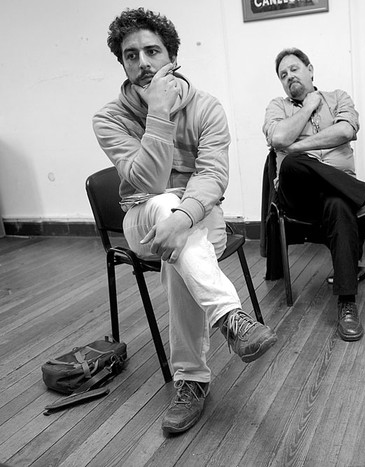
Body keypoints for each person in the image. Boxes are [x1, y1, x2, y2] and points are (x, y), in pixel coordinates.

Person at [92, 8, 277, 435]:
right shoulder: (109, 118)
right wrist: (158, 112)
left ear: (171, 57)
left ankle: (192, 380)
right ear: (121, 63)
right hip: (142, 219)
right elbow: (149, 181)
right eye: (131, 55)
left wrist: (183, 218)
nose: (142, 63)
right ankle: (232, 318)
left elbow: (213, 176)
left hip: (199, 218)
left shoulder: (207, 108)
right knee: (160, 206)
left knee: (180, 255)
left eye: (152, 51)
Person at [263, 47, 365, 342]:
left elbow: (345, 131)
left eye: (294, 69)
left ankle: (347, 303)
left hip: (339, 194)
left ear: (310, 69)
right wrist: (308, 107)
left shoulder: (338, 98)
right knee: (295, 165)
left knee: (337, 203)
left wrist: (295, 146)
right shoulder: (277, 106)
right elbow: (279, 137)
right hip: (297, 197)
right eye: (283, 75)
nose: (289, 77)